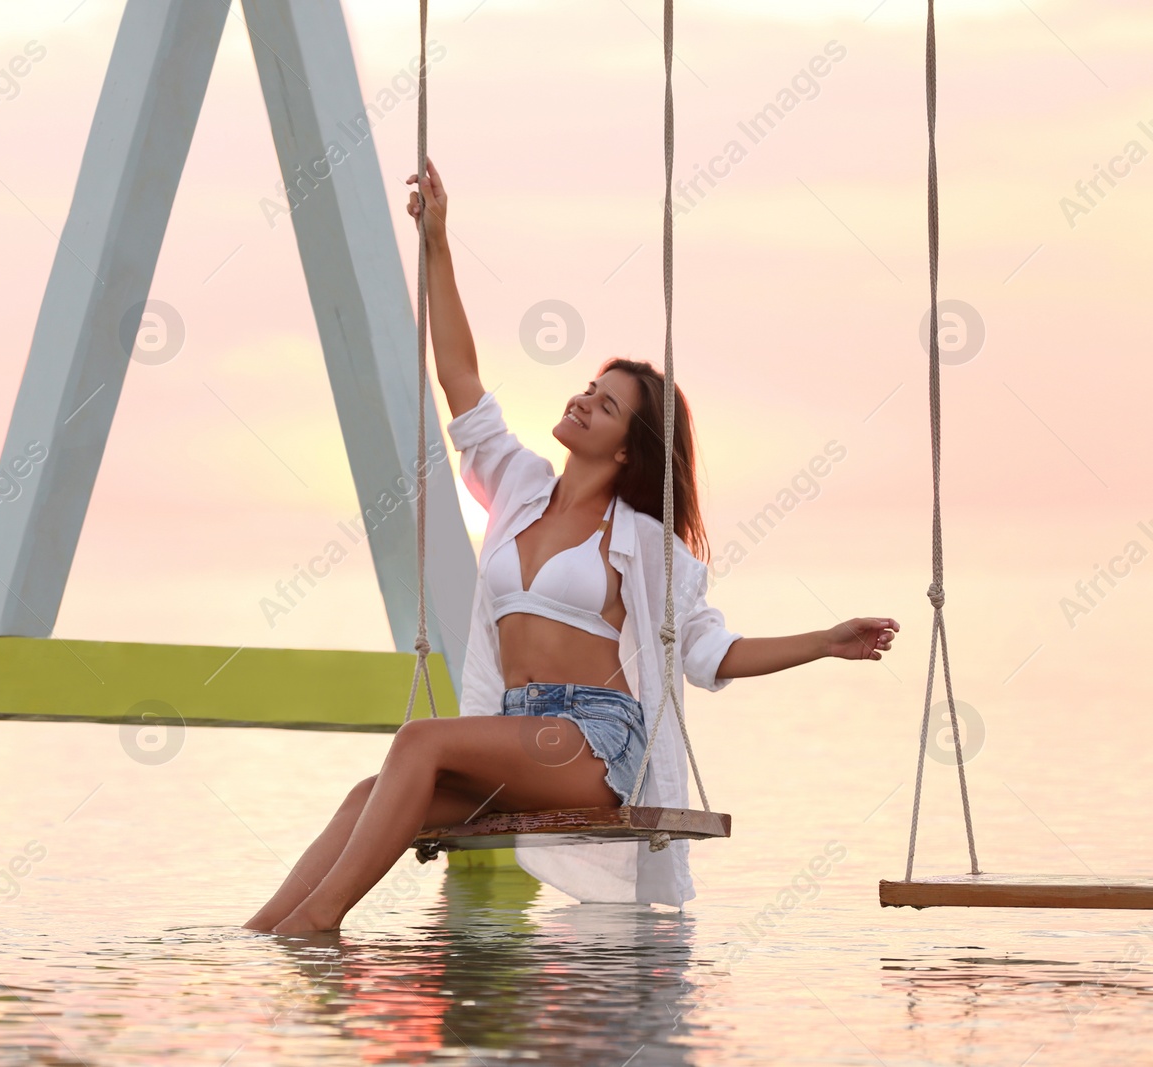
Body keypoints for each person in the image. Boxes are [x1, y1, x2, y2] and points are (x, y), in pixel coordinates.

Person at [243, 158, 898, 935]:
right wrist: (439, 244)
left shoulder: (645, 543)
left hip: (589, 741)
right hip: (515, 731)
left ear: (628, 448)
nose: (584, 399)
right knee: (366, 794)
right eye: (591, 387)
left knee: (418, 741)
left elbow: (708, 653)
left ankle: (316, 928)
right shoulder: (518, 487)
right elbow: (460, 377)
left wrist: (825, 641)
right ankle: (259, 938)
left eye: (607, 404)